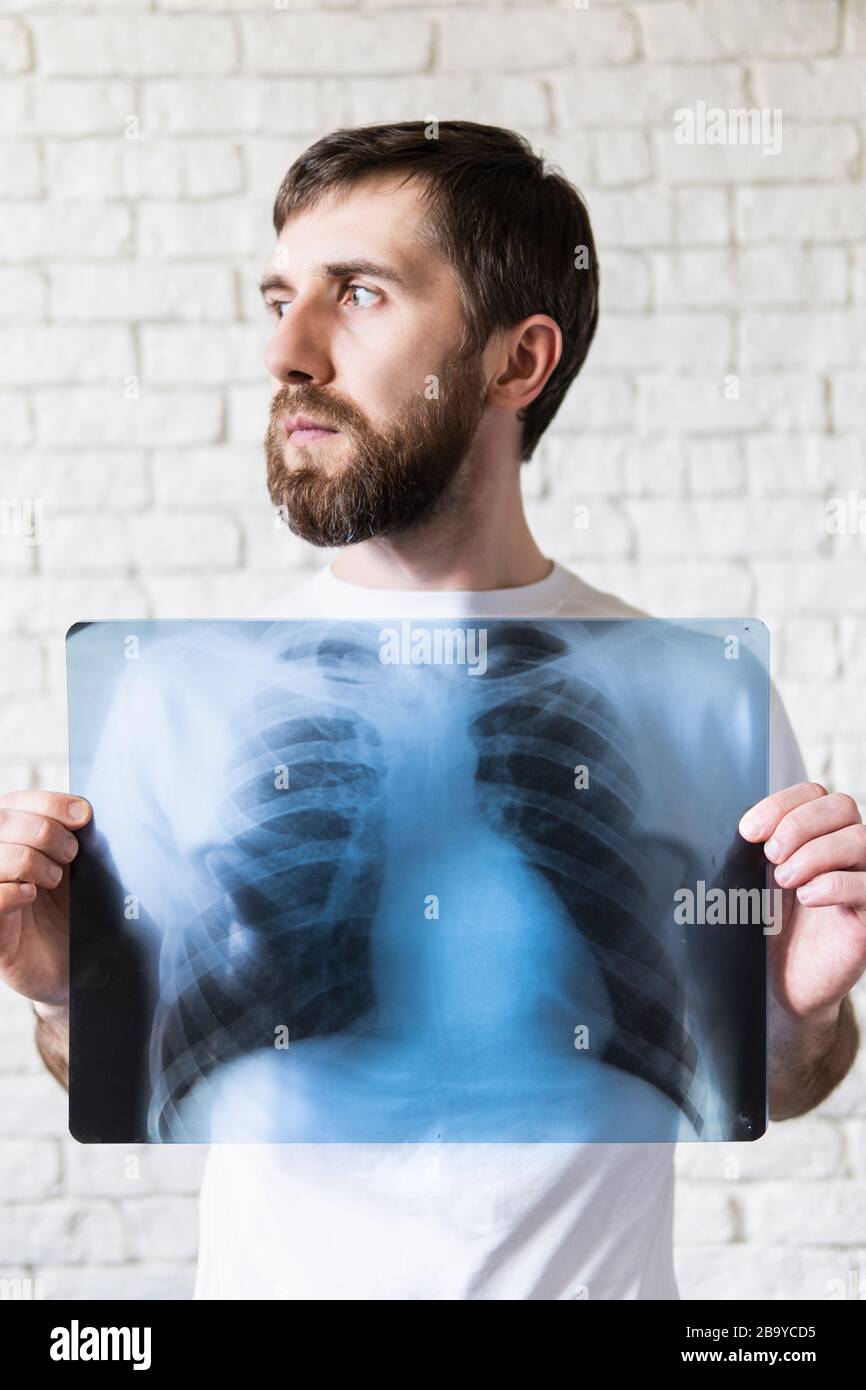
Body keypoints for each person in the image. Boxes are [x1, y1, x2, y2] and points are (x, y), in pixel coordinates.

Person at [1, 121, 862, 1300]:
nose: (287, 353)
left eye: (356, 294)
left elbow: (779, 1071)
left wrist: (801, 1009)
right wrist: (63, 992)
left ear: (517, 362)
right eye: (278, 297)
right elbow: (121, 1068)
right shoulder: (174, 693)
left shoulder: (703, 692)